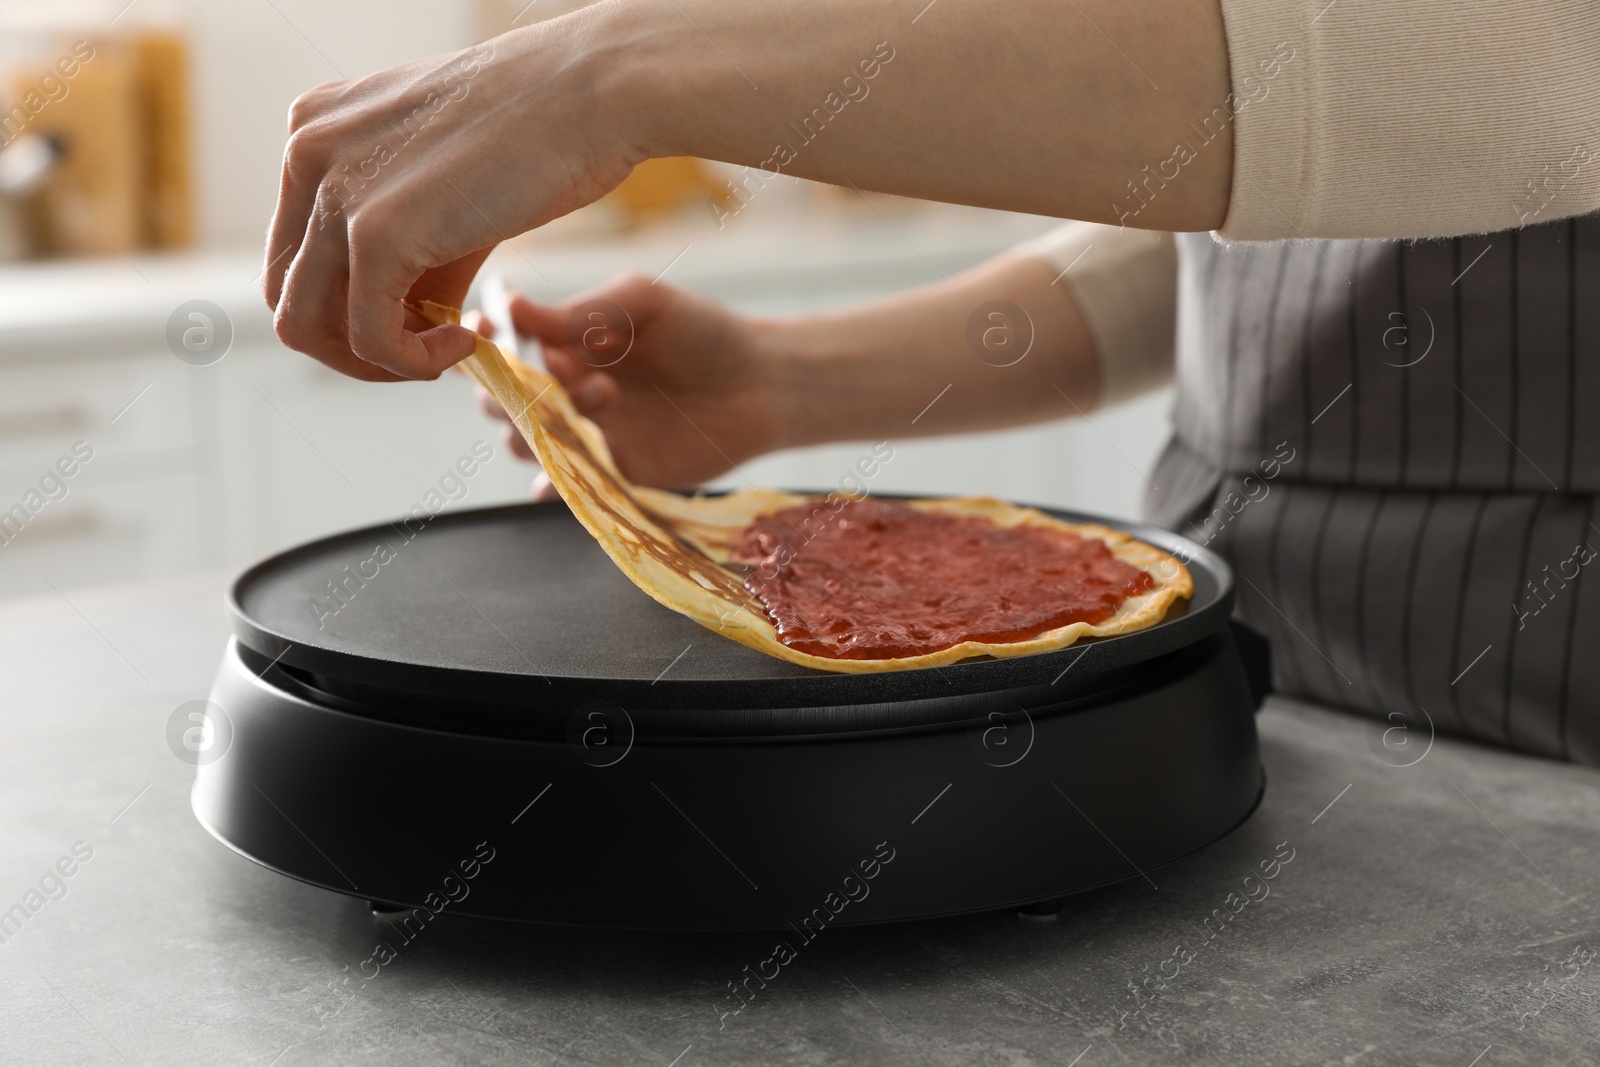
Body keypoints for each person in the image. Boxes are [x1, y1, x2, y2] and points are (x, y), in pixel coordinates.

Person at [264, 0, 1600, 765]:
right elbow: (1264, 228)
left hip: (1547, 744)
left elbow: (1514, 79)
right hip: (1232, 697)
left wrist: (621, 69)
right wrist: (786, 382)